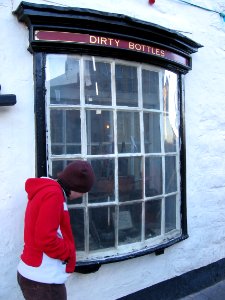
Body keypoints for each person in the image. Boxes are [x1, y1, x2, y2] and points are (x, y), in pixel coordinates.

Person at [17, 160, 95, 300]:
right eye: (83, 192)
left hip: (35, 275)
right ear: (75, 187)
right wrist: (67, 253)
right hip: (43, 280)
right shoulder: (54, 195)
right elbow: (46, 238)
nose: (82, 196)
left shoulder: (48, 190)